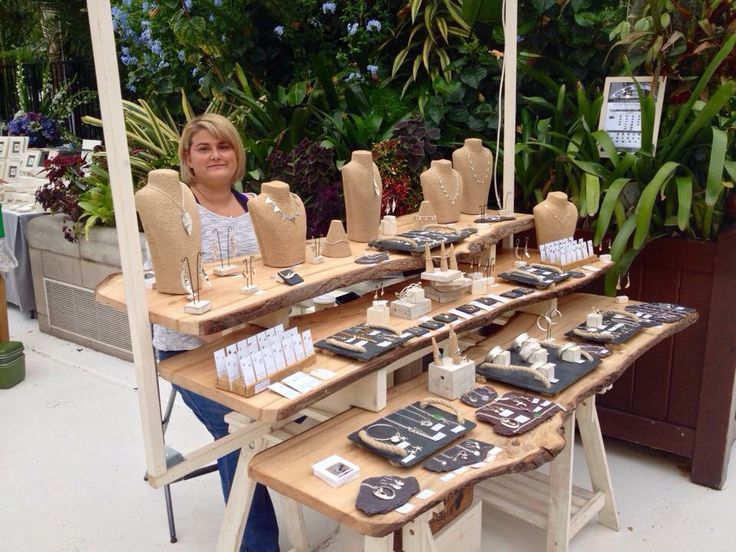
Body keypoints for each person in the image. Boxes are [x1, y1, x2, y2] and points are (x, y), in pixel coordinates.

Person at [154, 113, 279, 552]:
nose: (215, 155)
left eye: (223, 146)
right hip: (190, 352)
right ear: (187, 159)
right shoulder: (173, 211)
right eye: (203, 148)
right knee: (237, 430)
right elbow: (158, 287)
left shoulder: (257, 208)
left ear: (236, 153)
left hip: (254, 344)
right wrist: (208, 332)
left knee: (311, 407)